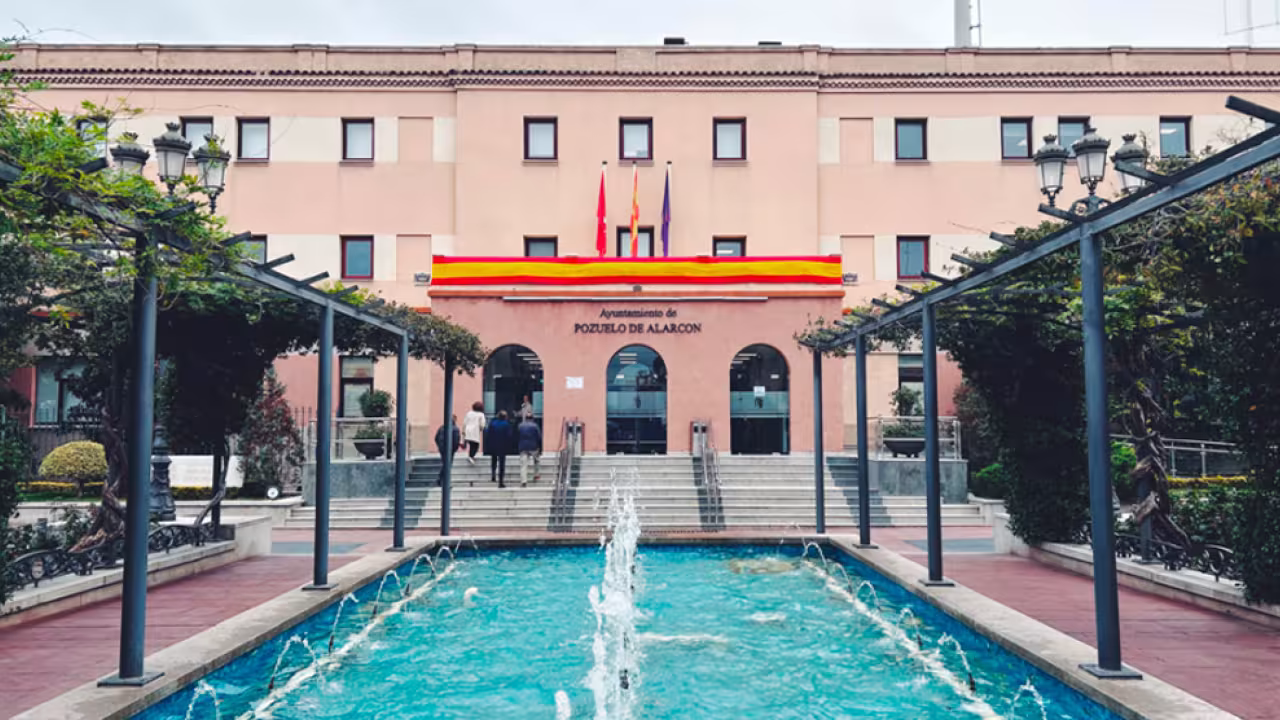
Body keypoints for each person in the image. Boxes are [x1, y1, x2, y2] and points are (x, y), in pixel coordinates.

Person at [484, 410, 514, 488]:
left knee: (493, 460)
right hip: (503, 446)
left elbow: (488, 435)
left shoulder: (493, 424)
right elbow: (509, 436)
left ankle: (493, 474)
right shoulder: (506, 424)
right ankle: (501, 481)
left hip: (493, 445)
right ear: (505, 417)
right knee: (501, 464)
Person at [434, 414, 461, 487]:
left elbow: (436, 438)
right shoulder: (455, 429)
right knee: (447, 465)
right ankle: (443, 481)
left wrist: (439, 446)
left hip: (442, 449)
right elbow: (456, 440)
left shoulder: (441, 428)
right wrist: (454, 449)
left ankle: (441, 480)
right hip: (449, 449)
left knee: (445, 464)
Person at [517, 415, 542, 487]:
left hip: (523, 447)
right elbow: (539, 437)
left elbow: (517, 436)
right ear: (532, 419)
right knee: (537, 461)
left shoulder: (520, 426)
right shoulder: (535, 426)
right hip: (533, 447)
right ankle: (536, 475)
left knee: (523, 465)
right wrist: (539, 447)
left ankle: (524, 481)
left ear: (525, 418)